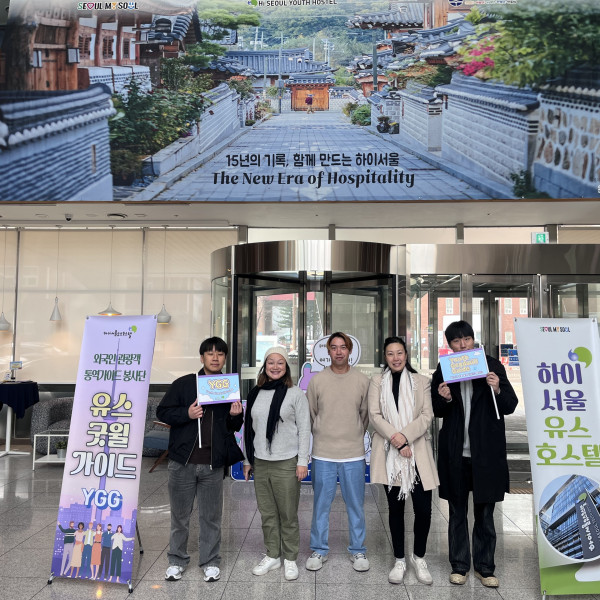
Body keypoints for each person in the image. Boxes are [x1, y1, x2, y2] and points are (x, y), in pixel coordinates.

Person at [431, 320, 518, 588]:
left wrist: (497, 387)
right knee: (457, 513)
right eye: (456, 341)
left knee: (485, 514)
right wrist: (445, 398)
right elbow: (437, 409)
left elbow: (510, 405)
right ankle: (459, 566)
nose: (463, 345)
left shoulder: (492, 365)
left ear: (473, 339)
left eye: (466, 339)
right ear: (450, 345)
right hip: (456, 453)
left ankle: (485, 567)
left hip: (486, 454)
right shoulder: (444, 369)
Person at [157, 336, 244, 583]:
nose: (215, 358)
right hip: (182, 463)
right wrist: (187, 413)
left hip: (212, 464)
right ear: (202, 357)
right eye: (210, 353)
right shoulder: (184, 384)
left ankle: (210, 561)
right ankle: (176, 561)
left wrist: (236, 415)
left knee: (211, 517)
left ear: (225, 358)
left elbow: (232, 427)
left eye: (220, 354)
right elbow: (162, 412)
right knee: (180, 517)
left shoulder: (227, 387)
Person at [368, 336, 438, 585]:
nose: (395, 358)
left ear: (406, 355)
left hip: (417, 454)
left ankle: (419, 557)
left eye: (399, 353)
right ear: (385, 357)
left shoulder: (422, 382)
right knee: (396, 509)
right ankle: (399, 560)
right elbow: (374, 415)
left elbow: (427, 415)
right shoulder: (377, 381)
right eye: (390, 354)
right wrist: (397, 441)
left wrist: (405, 437)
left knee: (424, 510)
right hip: (391, 454)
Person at [243, 347, 311, 582]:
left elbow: (305, 430)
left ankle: (290, 558)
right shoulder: (255, 393)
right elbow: (249, 430)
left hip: (287, 462)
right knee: (267, 513)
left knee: (288, 514)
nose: (275, 366)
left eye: (280, 362)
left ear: (286, 367)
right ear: (265, 366)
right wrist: (248, 460)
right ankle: (273, 555)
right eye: (270, 362)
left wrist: (302, 461)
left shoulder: (295, 394)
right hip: (261, 462)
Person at [306, 331, 370, 572]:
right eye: (334, 347)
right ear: (328, 351)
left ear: (350, 350)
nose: (339, 351)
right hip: (323, 453)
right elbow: (311, 414)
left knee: (356, 505)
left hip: (353, 454)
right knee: (321, 505)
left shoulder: (362, 380)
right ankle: (319, 549)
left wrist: (353, 433)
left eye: (343, 347)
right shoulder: (317, 381)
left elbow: (365, 415)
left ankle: (358, 550)